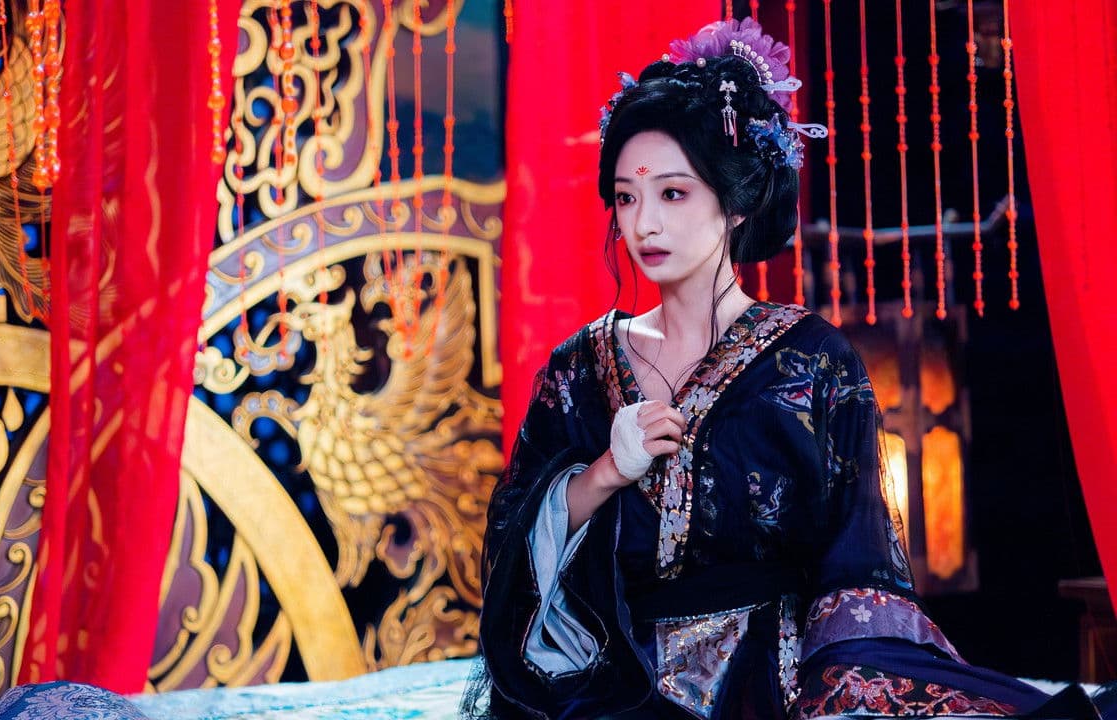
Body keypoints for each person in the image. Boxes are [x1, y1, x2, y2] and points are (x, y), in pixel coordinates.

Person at [463, 17, 1115, 720]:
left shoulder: (812, 363)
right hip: (616, 677)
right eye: (626, 196)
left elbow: (858, 568)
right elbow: (510, 553)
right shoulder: (579, 370)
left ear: (737, 202)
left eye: (673, 193)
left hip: (770, 675)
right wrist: (603, 475)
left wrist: (829, 689)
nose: (643, 224)